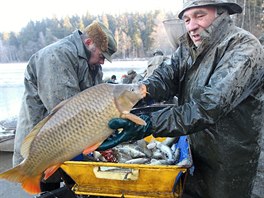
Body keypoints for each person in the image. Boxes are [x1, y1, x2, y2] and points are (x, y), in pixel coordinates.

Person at [98, 1, 264, 197]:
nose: (192, 26)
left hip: (228, 160)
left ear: (221, 13)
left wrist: (148, 123)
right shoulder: (188, 47)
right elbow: (167, 76)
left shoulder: (243, 46)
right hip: (193, 149)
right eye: (186, 19)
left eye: (199, 16)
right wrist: (140, 92)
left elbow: (208, 107)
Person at [13, 20, 117, 192]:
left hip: (68, 142)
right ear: (89, 42)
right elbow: (69, 113)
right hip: (42, 142)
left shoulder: (93, 64)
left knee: (74, 188)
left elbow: (96, 104)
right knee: (48, 187)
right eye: (102, 56)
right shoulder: (57, 55)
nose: (103, 63)